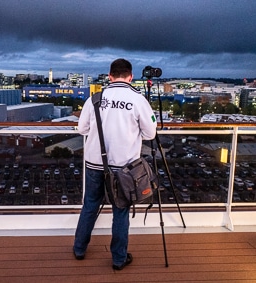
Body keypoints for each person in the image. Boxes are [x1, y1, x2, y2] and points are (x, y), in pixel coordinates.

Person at [73, 58, 157, 270]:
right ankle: (118, 259)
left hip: (94, 163)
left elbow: (82, 129)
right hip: (124, 166)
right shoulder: (138, 100)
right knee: (120, 210)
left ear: (109, 76)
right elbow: (150, 133)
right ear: (131, 77)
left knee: (90, 204)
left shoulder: (95, 99)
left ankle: (79, 249)